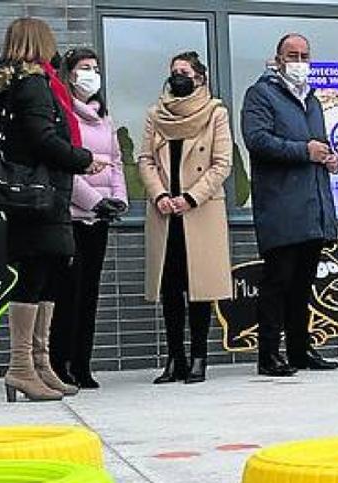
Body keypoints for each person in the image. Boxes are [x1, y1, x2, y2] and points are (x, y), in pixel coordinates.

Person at [0, 17, 104, 402]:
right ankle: (20, 366)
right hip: (38, 196)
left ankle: (39, 363)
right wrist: (83, 159)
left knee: (47, 275)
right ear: (40, 42)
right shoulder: (33, 85)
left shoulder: (29, 83)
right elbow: (42, 139)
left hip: (45, 194)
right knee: (34, 276)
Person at [241, 33, 338, 377]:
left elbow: (317, 142)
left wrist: (328, 156)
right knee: (278, 282)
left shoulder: (312, 99)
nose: (299, 61)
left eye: (304, 55)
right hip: (281, 206)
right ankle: (269, 354)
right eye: (292, 55)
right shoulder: (261, 93)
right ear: (278, 59)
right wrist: (305, 151)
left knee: (303, 283)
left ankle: (300, 350)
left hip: (313, 206)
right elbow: (257, 140)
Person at [138, 51, 234, 384]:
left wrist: (191, 197)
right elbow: (145, 159)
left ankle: (198, 358)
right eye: (174, 72)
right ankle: (174, 358)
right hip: (165, 211)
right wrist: (161, 195)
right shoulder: (155, 114)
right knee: (171, 287)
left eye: (185, 72)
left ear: (200, 78)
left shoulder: (215, 113)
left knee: (200, 287)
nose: (178, 77)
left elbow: (222, 163)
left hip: (200, 210)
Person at [49, 47, 128, 390]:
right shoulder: (64, 115)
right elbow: (66, 166)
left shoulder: (105, 118)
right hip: (72, 216)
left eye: (95, 68)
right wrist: (95, 202)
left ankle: (83, 363)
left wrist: (119, 200)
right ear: (69, 74)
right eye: (84, 68)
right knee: (69, 293)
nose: (91, 75)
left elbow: (116, 163)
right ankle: (59, 362)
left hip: (100, 220)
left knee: (90, 295)